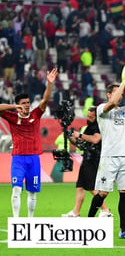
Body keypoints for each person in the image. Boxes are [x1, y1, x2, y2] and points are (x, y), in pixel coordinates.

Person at [87, 61, 125, 239]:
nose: (120, 97)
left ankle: (123, 231)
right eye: (116, 94)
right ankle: (87, 224)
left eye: (121, 94)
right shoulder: (101, 110)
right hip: (109, 158)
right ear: (108, 94)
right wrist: (123, 82)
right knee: (102, 193)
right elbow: (112, 102)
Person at [0, 68, 58, 217]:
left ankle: (30, 221)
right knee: (16, 189)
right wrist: (14, 107)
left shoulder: (35, 115)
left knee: (32, 192)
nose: (27, 105)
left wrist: (49, 84)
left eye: (28, 102)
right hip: (18, 159)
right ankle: (16, 220)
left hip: (34, 159)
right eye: (23, 103)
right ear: (18, 105)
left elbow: (45, 100)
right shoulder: (12, 116)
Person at [62, 106, 111, 217]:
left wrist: (79, 135)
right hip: (88, 157)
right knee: (80, 186)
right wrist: (70, 136)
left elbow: (95, 139)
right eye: (88, 116)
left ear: (97, 117)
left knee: (91, 187)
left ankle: (106, 210)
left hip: (94, 158)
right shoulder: (90, 127)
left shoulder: (98, 126)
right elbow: (82, 144)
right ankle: (75, 212)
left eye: (91, 117)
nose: (89, 118)